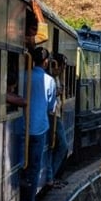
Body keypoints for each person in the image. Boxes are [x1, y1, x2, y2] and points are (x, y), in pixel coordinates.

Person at [19, 46, 53, 201]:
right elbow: (51, 107)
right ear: (46, 62)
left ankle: (18, 199)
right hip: (39, 128)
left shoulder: (22, 76)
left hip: (20, 126)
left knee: (21, 165)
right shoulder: (49, 81)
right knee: (34, 166)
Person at [45, 53, 69, 189]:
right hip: (53, 115)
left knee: (57, 147)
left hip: (57, 115)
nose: (63, 70)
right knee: (62, 146)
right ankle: (52, 177)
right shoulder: (51, 79)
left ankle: (52, 176)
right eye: (62, 67)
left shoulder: (57, 78)